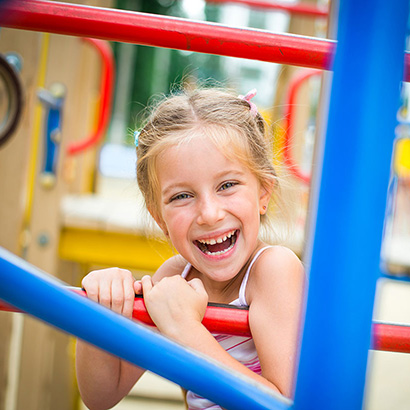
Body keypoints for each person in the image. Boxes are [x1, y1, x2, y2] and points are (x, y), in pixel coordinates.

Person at [76, 87, 305, 410]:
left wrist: (184, 328)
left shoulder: (273, 269)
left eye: (227, 185)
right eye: (182, 196)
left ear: (263, 192)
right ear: (160, 218)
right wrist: (96, 311)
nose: (210, 214)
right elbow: (101, 396)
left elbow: (283, 405)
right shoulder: (174, 277)